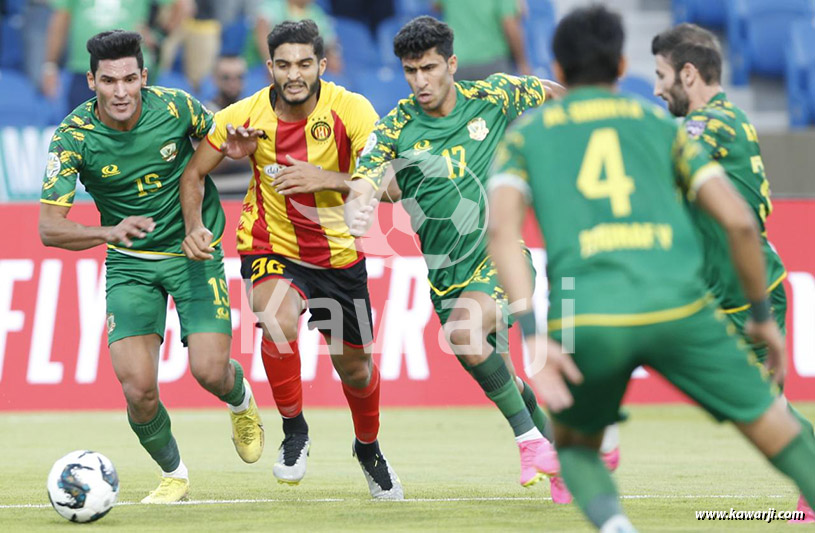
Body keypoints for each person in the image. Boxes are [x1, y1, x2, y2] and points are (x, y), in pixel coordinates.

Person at [487, 5, 815, 531]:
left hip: (596, 318)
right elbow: (740, 224)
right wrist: (760, 316)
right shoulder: (660, 126)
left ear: (559, 68)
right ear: (622, 65)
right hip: (684, 304)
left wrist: (531, 333)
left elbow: (501, 232)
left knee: (573, 450)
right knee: (778, 427)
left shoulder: (528, 135)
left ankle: (614, 519)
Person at [344, 15, 597, 501]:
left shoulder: (494, 96)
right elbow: (367, 176)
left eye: (430, 68)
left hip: (499, 256)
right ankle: (563, 458)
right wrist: (359, 206)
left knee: (462, 333)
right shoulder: (396, 123)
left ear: (452, 64)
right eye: (411, 71)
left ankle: (528, 444)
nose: (420, 81)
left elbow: (552, 92)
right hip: (445, 278)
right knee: (504, 378)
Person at [178, 20, 403, 500]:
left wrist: (328, 178)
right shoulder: (246, 115)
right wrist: (195, 225)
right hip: (270, 245)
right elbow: (194, 172)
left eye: (304, 64)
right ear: (270, 68)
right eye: (284, 65)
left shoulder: (352, 110)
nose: (294, 74)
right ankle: (294, 432)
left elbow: (394, 185)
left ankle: (368, 449)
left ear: (321, 65)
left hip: (339, 258)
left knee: (357, 371)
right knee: (276, 318)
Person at [38, 30, 264, 504]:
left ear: (144, 76)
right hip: (129, 264)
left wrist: (236, 151)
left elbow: (217, 148)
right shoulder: (72, 137)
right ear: (91, 81)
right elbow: (49, 229)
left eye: (128, 79)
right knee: (138, 389)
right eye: (107, 81)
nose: (120, 92)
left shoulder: (178, 107)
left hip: (192, 252)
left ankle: (240, 397)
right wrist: (107, 233)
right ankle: (174, 475)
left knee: (209, 372)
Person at [652, 23, 815, 524]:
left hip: (747, 293)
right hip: (720, 290)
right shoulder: (722, 122)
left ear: (688, 73)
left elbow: (658, 154)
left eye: (660, 75)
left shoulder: (710, 124)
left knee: (767, 410)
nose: (656, 88)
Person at [40, 0, 185, 110]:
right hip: (85, 68)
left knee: (132, 137)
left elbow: (180, 6)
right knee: (81, 136)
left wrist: (159, 34)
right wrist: (50, 65)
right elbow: (61, 18)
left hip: (128, 70)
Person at [435, 0, 531, 80]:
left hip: (458, 64)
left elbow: (436, 6)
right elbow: (509, 24)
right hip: (492, 63)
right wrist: (522, 63)